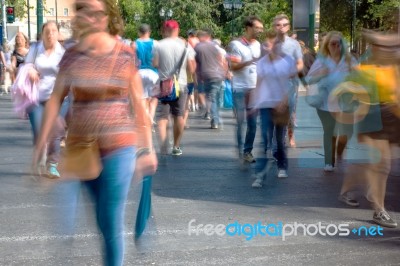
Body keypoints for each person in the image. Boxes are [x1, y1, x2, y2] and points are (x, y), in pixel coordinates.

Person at [32, 0, 157, 264]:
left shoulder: (124, 53)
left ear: (103, 17)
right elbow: (55, 100)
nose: (82, 15)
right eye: (79, 9)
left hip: (119, 146)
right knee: (101, 220)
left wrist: (147, 149)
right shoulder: (72, 56)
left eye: (88, 10)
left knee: (110, 219)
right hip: (82, 148)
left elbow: (139, 104)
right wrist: (40, 148)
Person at [337, 30, 400, 228]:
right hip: (373, 116)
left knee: (378, 164)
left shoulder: (393, 68)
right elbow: (347, 94)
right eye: (384, 46)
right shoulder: (364, 71)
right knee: (383, 165)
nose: (390, 50)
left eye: (392, 47)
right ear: (374, 48)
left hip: (393, 116)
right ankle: (379, 211)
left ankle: (348, 187)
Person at [251, 30, 297, 187]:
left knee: (279, 138)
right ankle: (259, 175)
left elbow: (288, 84)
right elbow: (258, 83)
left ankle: (282, 165)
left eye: (274, 44)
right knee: (264, 139)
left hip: (281, 105)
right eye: (268, 44)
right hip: (265, 105)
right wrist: (254, 103)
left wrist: (284, 100)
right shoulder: (262, 63)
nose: (270, 47)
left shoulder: (285, 62)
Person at [306, 31, 357, 172]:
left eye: (338, 43)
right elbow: (309, 80)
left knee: (347, 132)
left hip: (346, 103)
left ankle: (340, 149)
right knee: (329, 131)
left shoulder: (349, 60)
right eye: (332, 44)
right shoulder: (321, 61)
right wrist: (321, 74)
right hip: (325, 103)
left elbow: (360, 77)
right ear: (327, 46)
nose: (336, 46)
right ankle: (329, 162)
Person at [24, 21, 66, 178]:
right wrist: (31, 70)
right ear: (42, 34)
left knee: (54, 130)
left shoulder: (62, 53)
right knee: (38, 129)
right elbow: (26, 66)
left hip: (54, 98)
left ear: (58, 34)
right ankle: (40, 155)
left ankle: (52, 164)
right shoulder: (35, 49)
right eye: (47, 31)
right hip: (34, 97)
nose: (50, 34)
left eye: (53, 31)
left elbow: (67, 74)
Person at [153, 20, 196, 156]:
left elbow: (155, 63)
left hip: (164, 85)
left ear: (165, 31)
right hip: (181, 84)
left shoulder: (158, 45)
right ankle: (176, 146)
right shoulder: (185, 45)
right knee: (178, 115)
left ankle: (163, 145)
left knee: (162, 117)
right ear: (177, 30)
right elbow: (191, 68)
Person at [227, 16, 263, 163]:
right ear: (248, 28)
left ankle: (247, 151)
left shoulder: (258, 45)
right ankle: (240, 148)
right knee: (241, 122)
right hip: (240, 89)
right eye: (257, 28)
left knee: (253, 123)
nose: (260, 31)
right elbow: (233, 67)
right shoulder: (235, 45)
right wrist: (249, 62)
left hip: (254, 89)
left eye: (261, 28)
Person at [273, 14, 304, 147]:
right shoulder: (270, 44)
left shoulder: (294, 44)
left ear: (288, 27)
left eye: (284, 25)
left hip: (291, 82)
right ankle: (278, 141)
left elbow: (300, 63)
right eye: (278, 25)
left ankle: (291, 135)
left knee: (290, 111)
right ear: (274, 27)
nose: (281, 27)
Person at [194, 29, 226, 129]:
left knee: (211, 98)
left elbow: (196, 64)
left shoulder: (198, 48)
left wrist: (198, 76)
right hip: (218, 74)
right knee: (215, 97)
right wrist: (224, 72)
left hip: (207, 75)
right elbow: (221, 60)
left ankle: (215, 119)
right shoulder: (215, 47)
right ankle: (215, 117)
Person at [135, 23, 159, 125]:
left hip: (139, 73)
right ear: (149, 32)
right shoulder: (156, 43)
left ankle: (146, 119)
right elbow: (158, 61)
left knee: (142, 100)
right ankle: (151, 118)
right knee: (154, 100)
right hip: (153, 73)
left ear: (139, 32)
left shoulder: (134, 44)